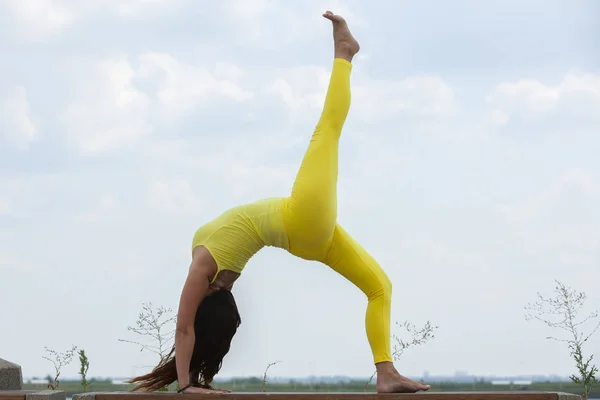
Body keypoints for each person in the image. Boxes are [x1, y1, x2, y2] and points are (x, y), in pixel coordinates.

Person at [128, 11, 431, 394]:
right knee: (327, 128)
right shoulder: (203, 266)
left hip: (309, 236)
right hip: (300, 218)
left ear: (215, 296)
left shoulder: (205, 269)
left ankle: (386, 373)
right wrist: (187, 386)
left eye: (226, 292)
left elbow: (188, 326)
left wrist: (188, 382)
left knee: (379, 287)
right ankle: (344, 53)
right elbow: (184, 328)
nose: (229, 286)